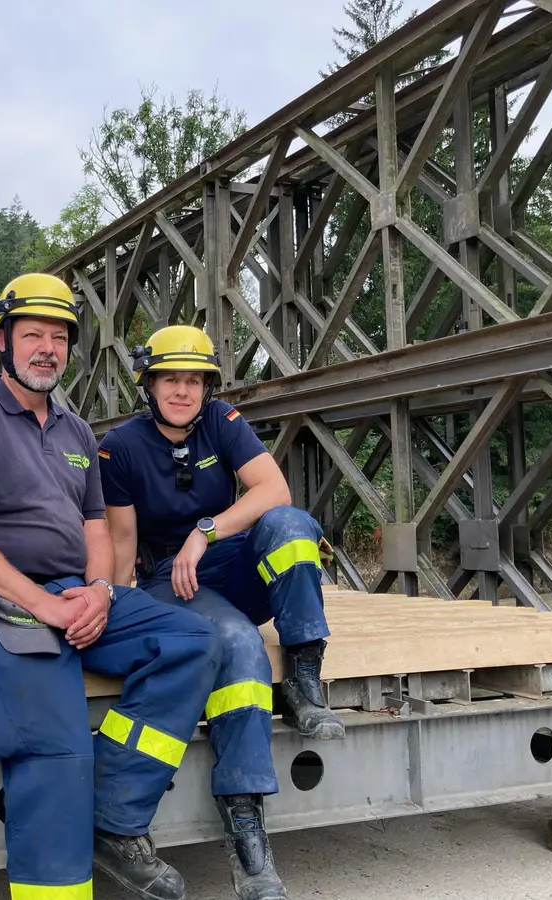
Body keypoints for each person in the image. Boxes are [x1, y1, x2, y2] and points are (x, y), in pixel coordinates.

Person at [0, 274, 222, 900]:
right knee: (57, 744)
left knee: (193, 641)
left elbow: (97, 526)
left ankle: (114, 816)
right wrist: (43, 606)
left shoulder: (76, 432)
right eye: (31, 334)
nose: (46, 348)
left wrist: (97, 592)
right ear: (2, 341)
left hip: (72, 594)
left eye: (58, 337)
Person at [96, 325, 346, 900]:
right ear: (149, 384)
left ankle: (305, 679)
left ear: (206, 386)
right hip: (170, 581)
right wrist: (113, 609)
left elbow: (272, 489)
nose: (182, 391)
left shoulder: (222, 421)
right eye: (170, 379)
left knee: (291, 527)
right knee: (237, 645)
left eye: (194, 380)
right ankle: (246, 826)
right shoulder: (121, 448)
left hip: (217, 556)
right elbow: (123, 541)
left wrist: (204, 532)